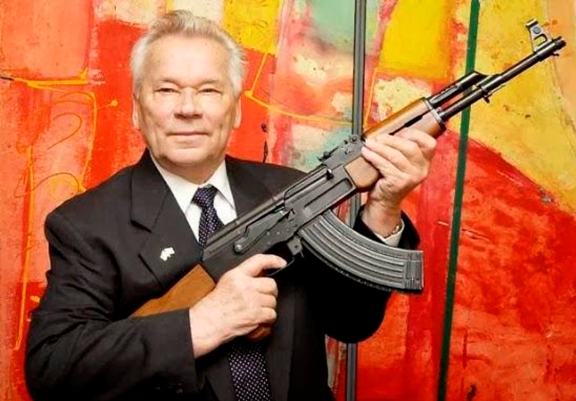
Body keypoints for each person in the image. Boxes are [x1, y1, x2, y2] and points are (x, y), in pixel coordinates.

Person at [24, 9, 437, 401]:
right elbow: (52, 368)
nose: (188, 109)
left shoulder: (290, 190)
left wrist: (384, 206)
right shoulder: (86, 224)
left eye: (209, 90)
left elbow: (351, 320)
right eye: (167, 90)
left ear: (236, 108)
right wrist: (200, 325)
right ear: (136, 109)